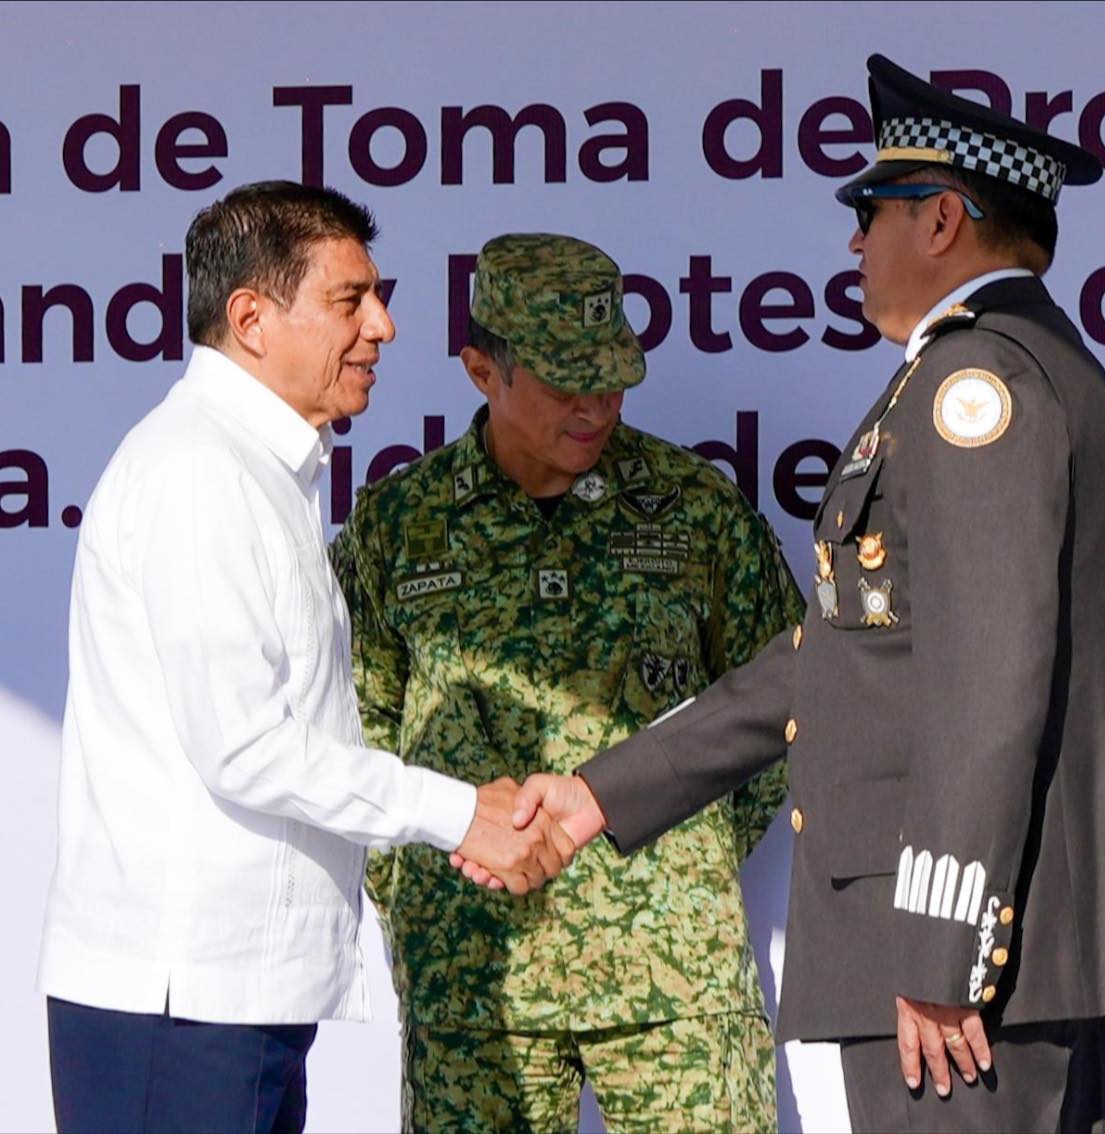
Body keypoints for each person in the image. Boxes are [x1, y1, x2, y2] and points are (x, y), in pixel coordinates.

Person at [498, 56, 1105, 1132]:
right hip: (989, 955)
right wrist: (599, 794)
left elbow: (989, 676)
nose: (855, 242)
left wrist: (945, 947)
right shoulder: (996, 367)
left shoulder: (974, 387)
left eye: (871, 210)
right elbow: (842, 650)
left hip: (963, 968)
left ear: (941, 219)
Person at [38, 182, 572, 1134]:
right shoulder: (198, 474)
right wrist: (460, 814)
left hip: (228, 996)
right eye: (349, 300)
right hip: (182, 1002)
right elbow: (245, 746)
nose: (384, 327)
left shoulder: (255, 468)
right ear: (251, 319)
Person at [330, 232, 804, 1133]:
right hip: (473, 986)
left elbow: (783, 696)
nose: (596, 407)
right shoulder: (399, 524)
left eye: (612, 379)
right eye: (565, 383)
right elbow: (360, 725)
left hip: (676, 980)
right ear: (482, 370)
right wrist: (427, 892)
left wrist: (683, 852)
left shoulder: (694, 509)